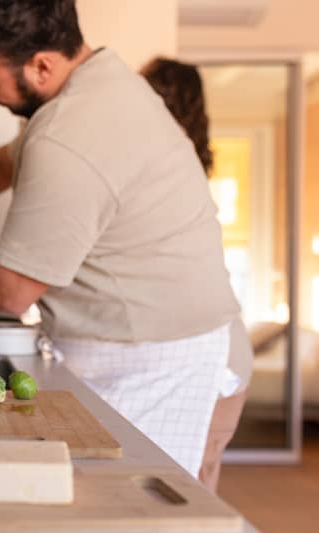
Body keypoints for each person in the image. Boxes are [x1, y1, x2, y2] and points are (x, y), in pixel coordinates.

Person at [0, 0, 243, 479]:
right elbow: (8, 162)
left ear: (42, 65)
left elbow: (11, 290)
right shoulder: (101, 81)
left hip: (168, 361)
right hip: (156, 344)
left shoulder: (68, 135)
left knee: (147, 513)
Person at [142, 57, 253, 492]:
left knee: (192, 494)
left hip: (215, 358)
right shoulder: (184, 172)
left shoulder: (169, 175)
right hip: (220, 351)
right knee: (193, 487)